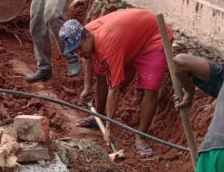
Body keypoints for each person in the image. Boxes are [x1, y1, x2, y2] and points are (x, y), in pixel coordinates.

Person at [60, 8, 172, 157]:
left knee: (150, 87)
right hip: (131, 38)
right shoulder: (88, 34)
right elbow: (87, 59)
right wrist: (87, 88)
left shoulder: (107, 45)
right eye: (74, 50)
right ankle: (98, 115)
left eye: (79, 48)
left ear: (87, 37)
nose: (78, 53)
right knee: (101, 72)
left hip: (153, 37)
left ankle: (141, 137)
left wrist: (108, 127)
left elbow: (114, 88)